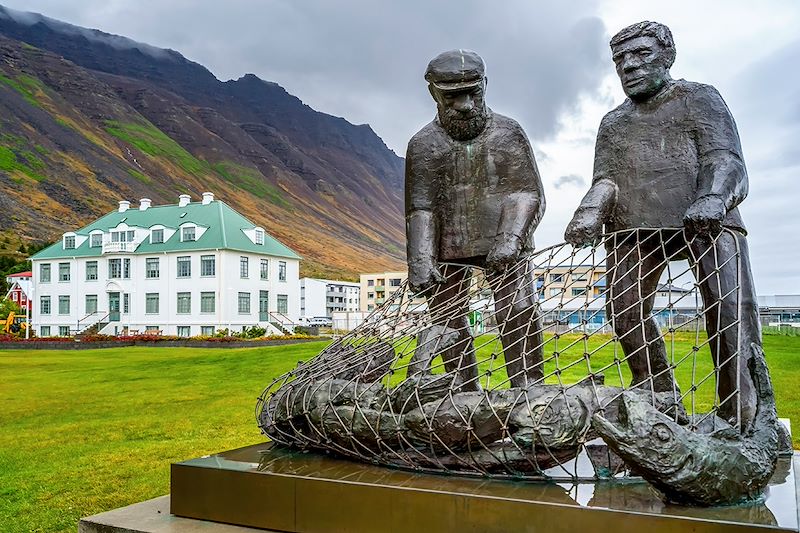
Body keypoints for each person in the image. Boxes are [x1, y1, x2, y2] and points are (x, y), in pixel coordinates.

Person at [565, 21, 762, 426]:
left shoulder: (700, 99)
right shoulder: (613, 123)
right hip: (634, 227)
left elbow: (726, 159)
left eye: (641, 55)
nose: (629, 66)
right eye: (620, 59)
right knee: (624, 312)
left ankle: (742, 414)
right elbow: (605, 180)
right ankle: (660, 393)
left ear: (668, 56)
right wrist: (588, 212)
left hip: (707, 219)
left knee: (730, 313)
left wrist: (712, 198)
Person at [405, 49, 545, 389]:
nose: (465, 105)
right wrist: (420, 259)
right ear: (433, 93)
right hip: (448, 248)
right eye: (453, 96)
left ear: (485, 85)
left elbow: (528, 193)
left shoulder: (509, 133)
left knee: (518, 310)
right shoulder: (422, 145)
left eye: (473, 92)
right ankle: (463, 391)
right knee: (447, 319)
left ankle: (529, 388)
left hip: (505, 243)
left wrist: (510, 239)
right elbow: (420, 207)